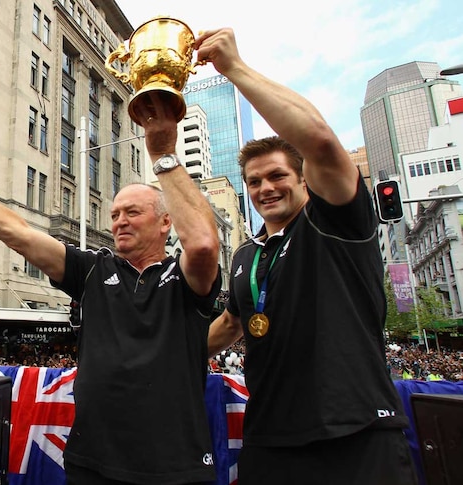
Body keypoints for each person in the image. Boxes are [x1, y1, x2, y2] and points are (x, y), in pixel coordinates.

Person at [0, 74, 222, 484]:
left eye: (132, 212)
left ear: (165, 222)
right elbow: (18, 233)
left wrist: (164, 156)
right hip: (91, 463)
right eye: (114, 214)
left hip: (174, 467)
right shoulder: (93, 270)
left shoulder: (184, 277)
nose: (118, 222)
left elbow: (204, 245)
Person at [201, 28, 416, 485]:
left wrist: (233, 69)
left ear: (304, 181)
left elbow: (319, 140)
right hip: (270, 439)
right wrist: (163, 356)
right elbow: (231, 325)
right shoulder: (246, 254)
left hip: (356, 433)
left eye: (277, 175)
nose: (265, 188)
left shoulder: (334, 220)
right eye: (254, 181)